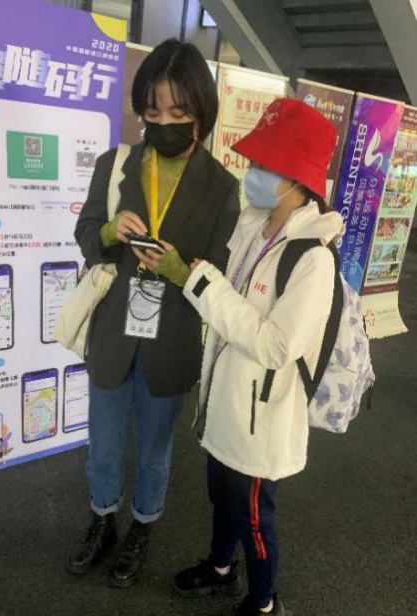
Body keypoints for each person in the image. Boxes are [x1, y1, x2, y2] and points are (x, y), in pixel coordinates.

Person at [69, 38, 240, 587]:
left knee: (154, 453)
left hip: (171, 337)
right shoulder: (116, 164)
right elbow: (84, 234)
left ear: (201, 114)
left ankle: (143, 525)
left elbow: (220, 273)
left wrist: (178, 270)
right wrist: (106, 230)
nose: (163, 123)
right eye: (152, 110)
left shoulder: (223, 188)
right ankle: (102, 518)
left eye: (177, 112)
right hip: (112, 332)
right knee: (103, 445)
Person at [169, 98, 345, 616]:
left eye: (266, 165)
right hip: (225, 399)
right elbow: (234, 301)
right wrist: (200, 278)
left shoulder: (313, 258)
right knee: (220, 495)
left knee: (254, 517)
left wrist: (204, 286)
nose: (253, 173)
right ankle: (221, 569)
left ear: (296, 176)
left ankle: (265, 602)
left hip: (260, 417)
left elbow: (276, 345)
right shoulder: (254, 223)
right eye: (254, 162)